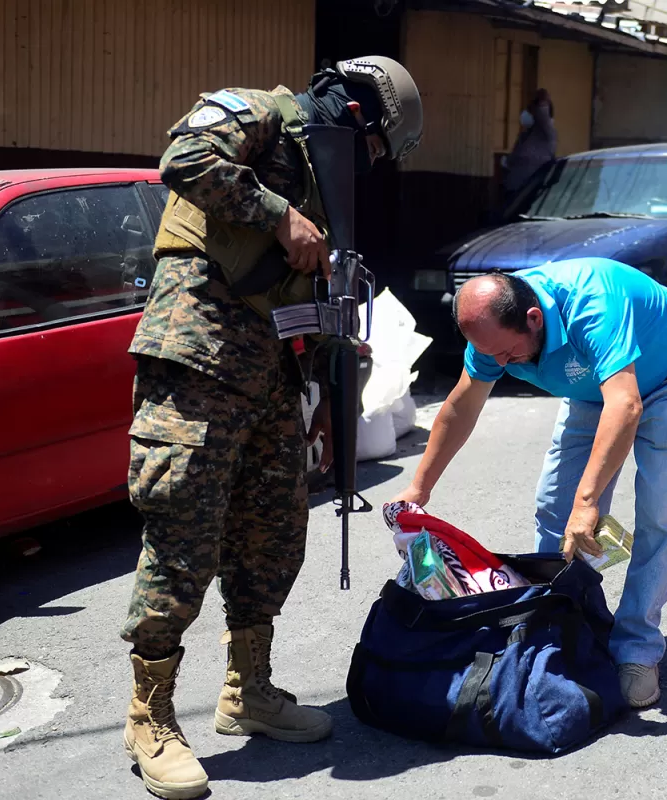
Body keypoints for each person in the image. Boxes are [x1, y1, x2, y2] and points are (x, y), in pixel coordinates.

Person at [120, 56, 422, 800]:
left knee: (275, 533)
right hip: (197, 358)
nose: (371, 164)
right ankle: (149, 715)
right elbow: (183, 157)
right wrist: (277, 214)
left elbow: (294, 295)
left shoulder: (324, 183)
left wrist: (337, 334)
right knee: (184, 533)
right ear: (360, 115)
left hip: (268, 379)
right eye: (378, 147)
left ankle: (247, 689)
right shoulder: (262, 114)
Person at [391, 258, 667, 709]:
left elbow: (626, 405)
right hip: (592, 388)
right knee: (553, 507)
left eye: (507, 353)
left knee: (660, 513)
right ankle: (562, 623)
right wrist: (419, 487)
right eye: (491, 356)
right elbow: (460, 407)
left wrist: (589, 503)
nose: (500, 364)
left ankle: (637, 649)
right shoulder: (493, 337)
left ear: (534, 318)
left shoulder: (593, 303)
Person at [501, 88, 557, 209]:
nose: (526, 114)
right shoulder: (525, 135)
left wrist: (542, 100)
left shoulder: (546, 133)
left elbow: (542, 115)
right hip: (512, 189)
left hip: (529, 192)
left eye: (531, 111)